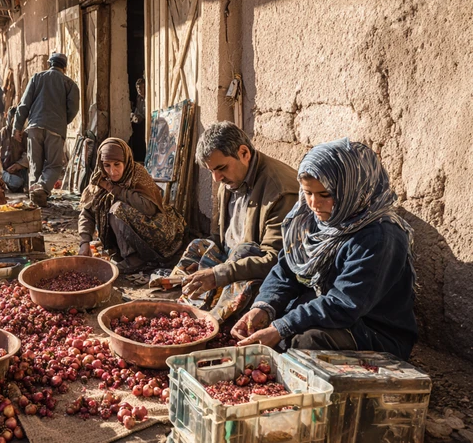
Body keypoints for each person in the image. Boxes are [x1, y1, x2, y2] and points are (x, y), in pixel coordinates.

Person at [231, 138, 418, 360]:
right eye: (308, 193)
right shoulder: (314, 220)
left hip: (372, 329)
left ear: (352, 189)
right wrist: (264, 308)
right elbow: (287, 269)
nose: (313, 204)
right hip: (328, 309)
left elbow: (344, 303)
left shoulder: (380, 236)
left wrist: (282, 327)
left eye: (324, 195)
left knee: (304, 342)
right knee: (261, 311)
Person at [176, 122, 299, 322]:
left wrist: (218, 274)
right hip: (230, 261)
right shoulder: (229, 182)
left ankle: (213, 321)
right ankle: (190, 300)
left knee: (244, 251)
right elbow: (219, 237)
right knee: (198, 246)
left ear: (244, 153)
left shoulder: (280, 191)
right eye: (211, 171)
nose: (216, 178)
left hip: (260, 273)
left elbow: (275, 261)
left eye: (221, 168)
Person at [78, 138, 184, 274]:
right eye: (107, 165)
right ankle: (122, 253)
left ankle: (134, 258)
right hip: (127, 234)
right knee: (110, 208)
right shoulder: (100, 179)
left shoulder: (137, 174)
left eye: (117, 164)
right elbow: (87, 212)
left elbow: (149, 208)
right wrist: (84, 242)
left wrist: (116, 190)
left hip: (155, 231)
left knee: (117, 209)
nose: (112, 171)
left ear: (125, 161)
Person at [12, 52, 81, 207]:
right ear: (65, 67)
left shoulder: (37, 78)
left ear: (49, 63)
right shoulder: (70, 84)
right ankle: (41, 189)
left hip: (34, 127)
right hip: (55, 130)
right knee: (54, 165)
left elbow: (23, 105)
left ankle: (34, 198)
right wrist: (62, 122)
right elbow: (73, 109)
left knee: (34, 164)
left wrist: (17, 127)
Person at [0, 107, 29, 193]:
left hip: (19, 172)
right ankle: (2, 177)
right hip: (4, 170)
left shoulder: (25, 135)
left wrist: (19, 165)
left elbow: (30, 153)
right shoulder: (3, 132)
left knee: (18, 183)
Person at [127, 78, 147, 164]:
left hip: (146, 123)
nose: (139, 90)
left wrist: (138, 117)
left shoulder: (147, 97)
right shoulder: (138, 98)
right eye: (138, 88)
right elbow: (138, 111)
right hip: (138, 123)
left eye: (141, 88)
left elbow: (144, 113)